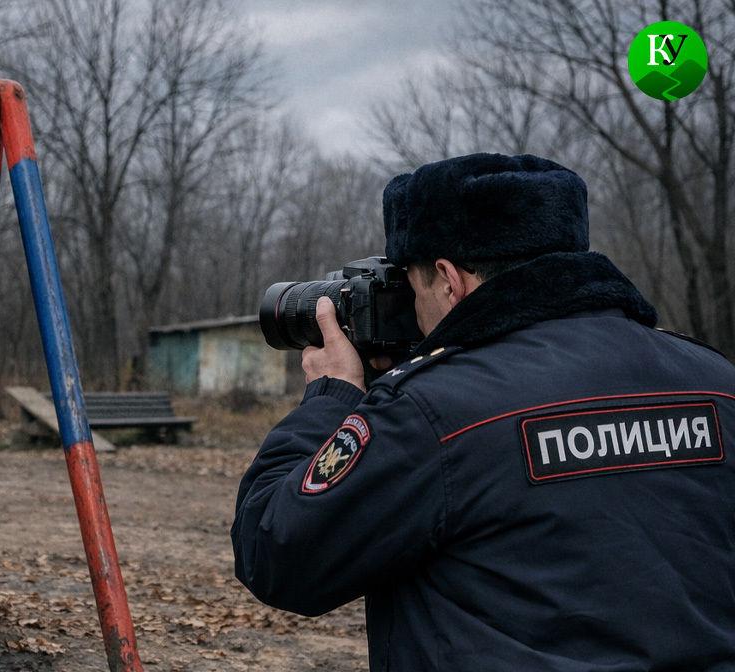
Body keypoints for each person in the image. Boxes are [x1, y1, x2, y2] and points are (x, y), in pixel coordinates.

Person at [231, 153, 735, 670]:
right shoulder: (717, 383)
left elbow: (276, 553)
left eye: (411, 283)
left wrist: (331, 397)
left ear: (449, 280)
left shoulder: (432, 413)